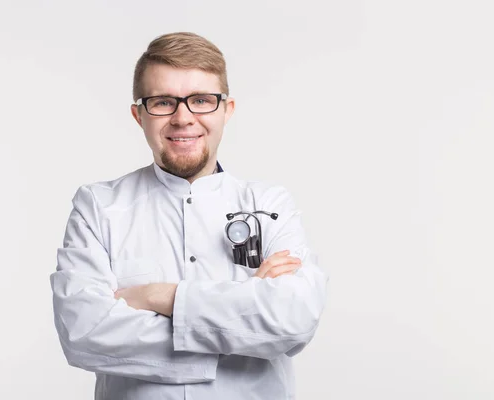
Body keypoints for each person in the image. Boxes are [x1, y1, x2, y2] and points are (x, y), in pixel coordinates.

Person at [50, 32, 328, 400]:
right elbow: (83, 333)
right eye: (163, 102)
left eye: (201, 100)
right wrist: (243, 308)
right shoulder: (98, 207)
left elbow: (291, 321)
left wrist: (160, 297)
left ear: (226, 110)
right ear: (139, 115)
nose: (183, 118)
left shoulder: (270, 203)